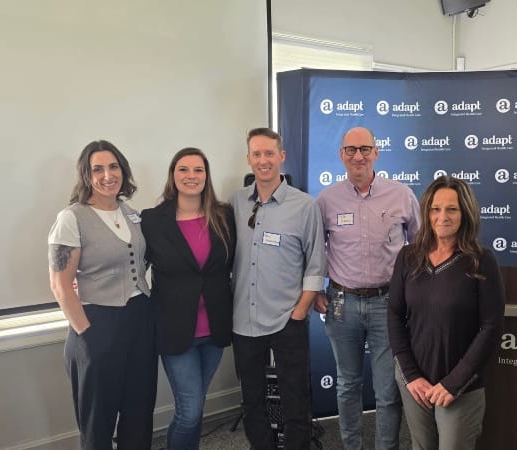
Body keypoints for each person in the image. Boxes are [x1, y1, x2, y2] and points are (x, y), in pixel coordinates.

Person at [314, 126, 420, 450]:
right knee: (347, 385)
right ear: (341, 155)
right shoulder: (326, 200)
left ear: (376, 152)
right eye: (351, 150)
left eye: (364, 149)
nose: (357, 156)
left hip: (388, 304)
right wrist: (316, 289)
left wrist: (415, 293)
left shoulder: (401, 195)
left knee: (387, 391)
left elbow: (420, 246)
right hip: (342, 303)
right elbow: (316, 250)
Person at [48, 140, 157, 450]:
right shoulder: (72, 218)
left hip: (140, 319)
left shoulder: (131, 213)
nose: (108, 175)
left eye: (113, 167)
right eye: (98, 169)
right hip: (97, 321)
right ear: (86, 175)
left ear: (123, 170)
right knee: (98, 420)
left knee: (139, 411)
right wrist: (87, 334)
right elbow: (60, 285)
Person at [387, 176, 505, 450]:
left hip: (461, 385)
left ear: (465, 213)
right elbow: (394, 314)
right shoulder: (408, 257)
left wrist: (455, 382)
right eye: (435, 209)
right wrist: (411, 375)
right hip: (415, 381)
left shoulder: (481, 260)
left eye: (452, 209)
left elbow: (492, 327)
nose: (442, 216)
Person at [231, 127, 327, 449]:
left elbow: (315, 265)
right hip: (244, 320)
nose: (263, 160)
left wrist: (299, 312)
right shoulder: (235, 203)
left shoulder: (304, 206)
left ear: (281, 156)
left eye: (269, 153)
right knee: (252, 400)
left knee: (295, 399)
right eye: (257, 154)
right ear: (249, 159)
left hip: (288, 318)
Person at [140, 147, 236, 450]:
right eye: (183, 169)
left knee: (195, 406)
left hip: (214, 328)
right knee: (190, 410)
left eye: (198, 170)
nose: (191, 176)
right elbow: (134, 267)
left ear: (206, 176)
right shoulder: (153, 220)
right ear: (173, 175)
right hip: (175, 331)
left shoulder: (224, 216)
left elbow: (235, 263)